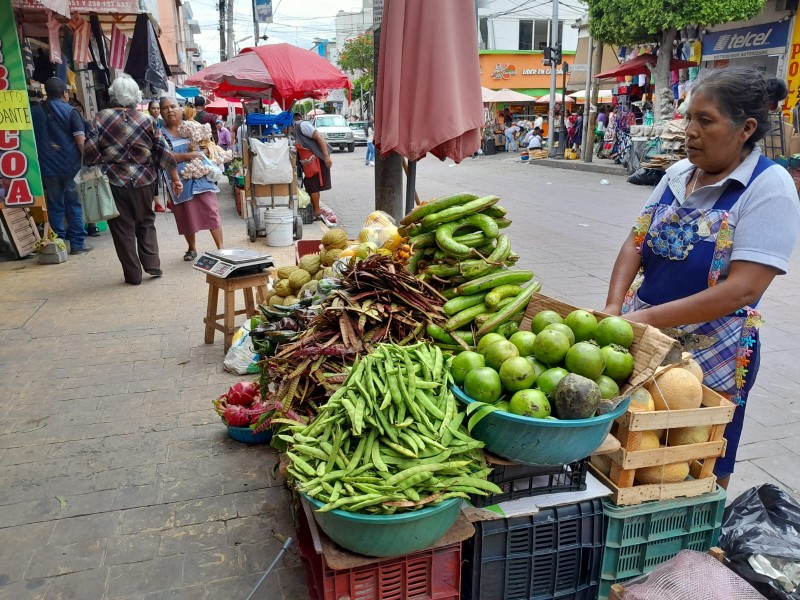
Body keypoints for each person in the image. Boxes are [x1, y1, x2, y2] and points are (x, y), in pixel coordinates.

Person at [602, 69, 800, 488]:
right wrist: (614, 309)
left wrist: (643, 321)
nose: (689, 131)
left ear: (745, 128)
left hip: (713, 352)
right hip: (644, 335)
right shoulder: (676, 176)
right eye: (689, 117)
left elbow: (744, 288)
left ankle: (693, 541)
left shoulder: (769, 187)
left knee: (697, 458)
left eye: (705, 121)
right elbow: (634, 243)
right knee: (634, 449)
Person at [83, 75, 182, 285]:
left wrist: (106, 159)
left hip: (113, 181)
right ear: (136, 95)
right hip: (145, 179)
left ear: (112, 95)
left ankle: (133, 275)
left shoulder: (100, 118)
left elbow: (90, 153)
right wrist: (175, 177)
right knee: (146, 221)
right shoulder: (146, 119)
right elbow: (162, 151)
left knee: (122, 228)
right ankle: (152, 263)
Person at [158, 97, 224, 261]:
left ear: (180, 109)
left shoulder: (192, 128)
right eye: (165, 108)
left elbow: (208, 146)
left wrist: (205, 151)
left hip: (201, 176)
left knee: (211, 211)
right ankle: (192, 248)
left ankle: (221, 248)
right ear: (161, 113)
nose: (170, 110)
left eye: (173, 106)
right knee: (186, 215)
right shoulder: (160, 134)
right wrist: (187, 155)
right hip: (178, 180)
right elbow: (164, 157)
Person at [30, 78, 90, 254]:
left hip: (47, 167)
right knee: (74, 205)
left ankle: (58, 246)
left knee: (55, 205)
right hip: (71, 167)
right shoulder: (71, 112)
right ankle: (78, 245)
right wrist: (86, 162)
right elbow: (80, 141)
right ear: (65, 93)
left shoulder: (34, 112)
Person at [69, 98, 101, 238]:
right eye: (78, 111)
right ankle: (82, 227)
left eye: (81, 110)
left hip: (86, 166)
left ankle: (92, 225)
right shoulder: (71, 123)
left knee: (89, 194)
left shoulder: (87, 124)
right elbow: (82, 144)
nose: (80, 113)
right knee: (77, 197)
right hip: (78, 164)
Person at [292, 113, 332, 220]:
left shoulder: (303, 126)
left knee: (312, 185)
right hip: (308, 162)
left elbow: (319, 138)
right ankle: (316, 210)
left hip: (317, 159)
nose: (281, 132)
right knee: (310, 184)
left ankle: (317, 211)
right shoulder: (292, 131)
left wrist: (326, 157)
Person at [147, 100, 166, 213]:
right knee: (154, 178)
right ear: (149, 109)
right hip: (151, 154)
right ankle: (157, 203)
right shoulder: (146, 122)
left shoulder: (163, 123)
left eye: (158, 108)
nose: (156, 110)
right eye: (153, 108)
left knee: (166, 177)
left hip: (163, 152)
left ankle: (169, 201)